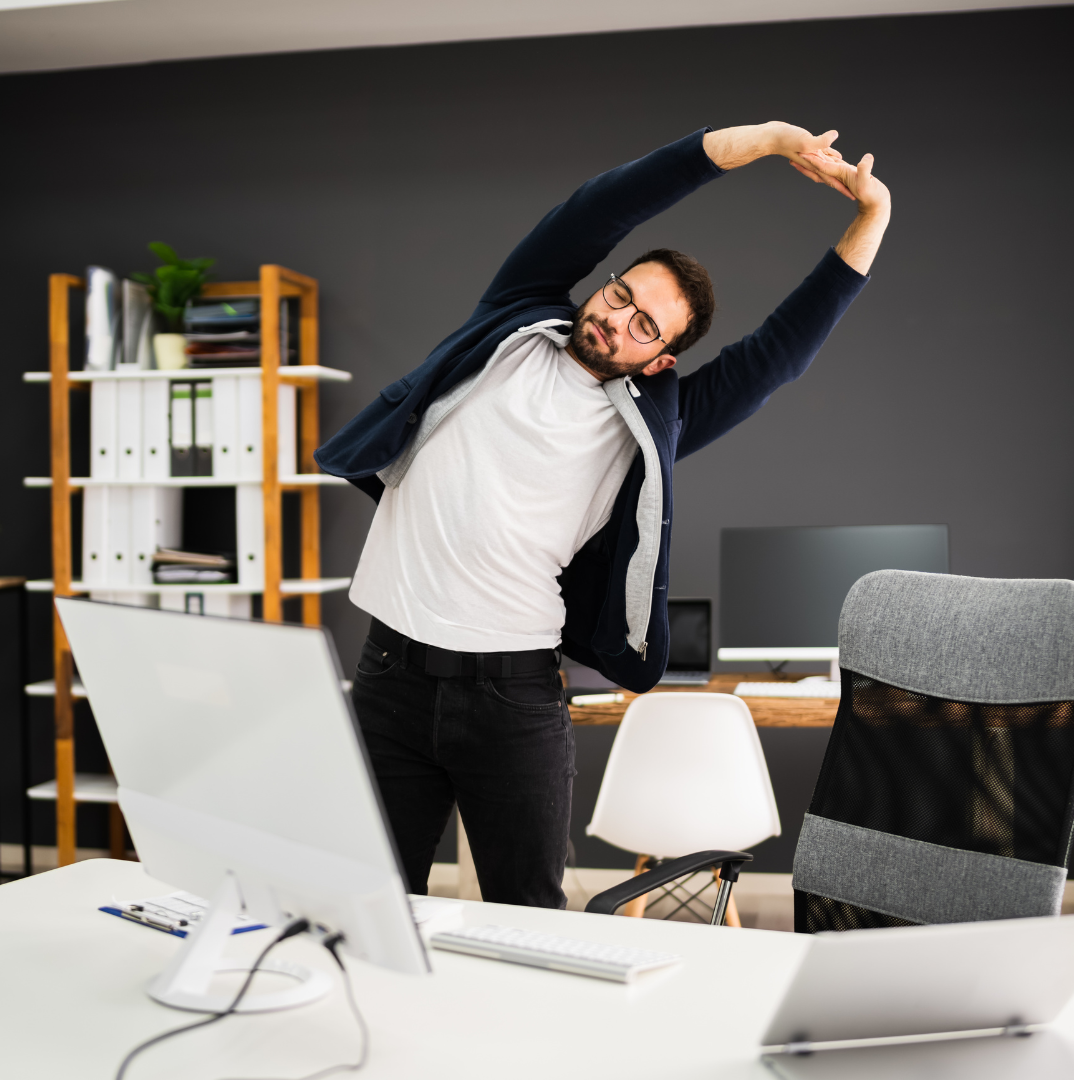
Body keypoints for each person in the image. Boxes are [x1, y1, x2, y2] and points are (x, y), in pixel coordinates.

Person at [316, 121, 891, 908]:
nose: (616, 319)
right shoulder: (513, 321)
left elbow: (778, 355)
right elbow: (602, 207)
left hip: (510, 699)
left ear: (660, 360)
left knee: (532, 922)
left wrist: (872, 217)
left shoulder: (650, 427)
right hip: (387, 676)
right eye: (622, 294)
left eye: (644, 325)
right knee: (372, 910)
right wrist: (760, 141)